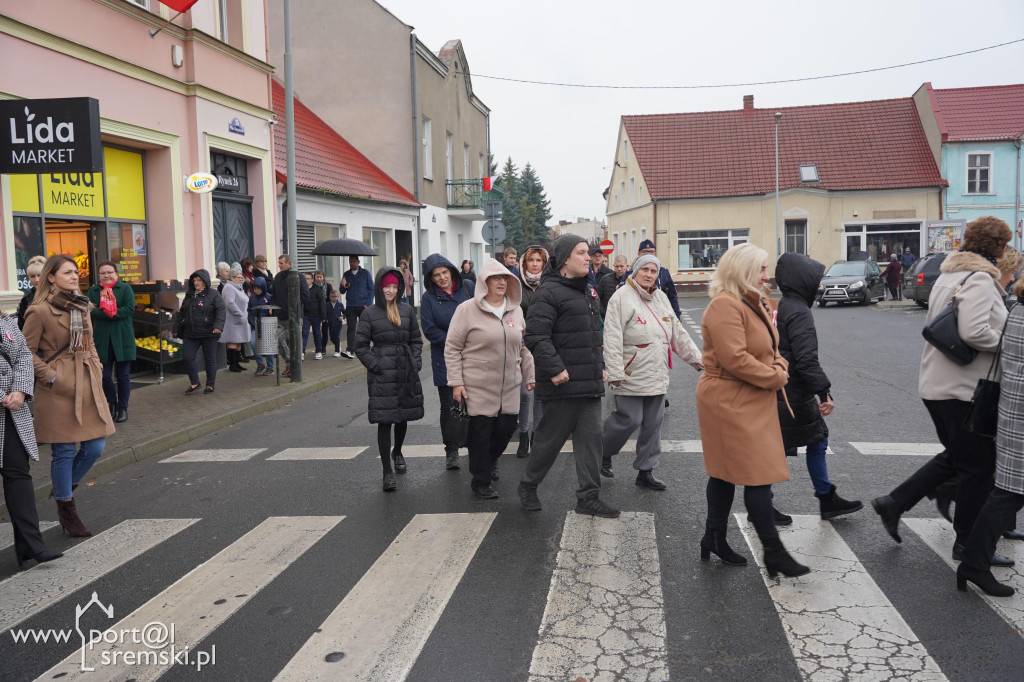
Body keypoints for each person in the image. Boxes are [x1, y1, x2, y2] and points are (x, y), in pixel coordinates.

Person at [872, 216, 1014, 568]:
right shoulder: (980, 279)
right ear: (996, 247)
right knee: (977, 468)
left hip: (938, 385)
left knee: (961, 457)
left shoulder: (949, 275)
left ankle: (894, 502)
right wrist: (1009, 345)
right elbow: (975, 332)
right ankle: (966, 545)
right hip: (965, 389)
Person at [695, 243, 809, 576]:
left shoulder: (752, 301)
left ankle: (713, 536)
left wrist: (779, 364)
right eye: (760, 268)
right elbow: (735, 359)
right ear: (742, 270)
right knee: (757, 477)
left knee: (725, 472)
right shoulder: (724, 306)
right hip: (728, 399)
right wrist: (775, 375)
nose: (766, 275)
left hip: (748, 396)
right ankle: (773, 551)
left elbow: (771, 346)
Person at [518, 234, 618, 518]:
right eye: (582, 253)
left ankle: (588, 497)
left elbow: (590, 335)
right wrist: (556, 369)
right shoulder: (547, 293)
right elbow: (536, 336)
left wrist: (599, 365)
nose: (589, 257)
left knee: (592, 440)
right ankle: (528, 485)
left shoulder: (586, 289)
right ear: (564, 259)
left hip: (587, 383)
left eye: (589, 253)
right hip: (561, 384)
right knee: (549, 443)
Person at [24, 254, 116, 537]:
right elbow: (25, 352)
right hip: (57, 386)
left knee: (95, 446)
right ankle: (67, 508)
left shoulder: (83, 305)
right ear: (51, 277)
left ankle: (63, 487)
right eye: (67, 272)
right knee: (63, 451)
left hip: (87, 378)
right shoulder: (38, 311)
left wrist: (98, 368)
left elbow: (90, 342)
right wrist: (51, 376)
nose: (75, 276)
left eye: (76, 272)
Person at [601, 254, 703, 489]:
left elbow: (677, 333)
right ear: (634, 272)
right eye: (644, 269)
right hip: (630, 371)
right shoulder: (621, 298)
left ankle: (646, 470)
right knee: (629, 419)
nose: (649, 274)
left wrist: (697, 359)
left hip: (657, 371)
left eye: (653, 271)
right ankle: (603, 453)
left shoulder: (661, 297)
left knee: (653, 423)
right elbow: (613, 336)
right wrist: (614, 371)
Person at [774, 252, 862, 519]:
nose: (819, 285)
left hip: (782, 388)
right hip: (795, 391)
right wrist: (824, 392)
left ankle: (768, 501)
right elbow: (806, 358)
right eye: (816, 280)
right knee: (813, 439)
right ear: (803, 280)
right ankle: (824, 497)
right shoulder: (799, 311)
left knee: (778, 444)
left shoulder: (784, 305)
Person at [956, 274, 1024, 596]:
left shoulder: (1017, 310)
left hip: (1013, 412)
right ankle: (973, 562)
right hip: (1020, 417)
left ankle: (973, 561)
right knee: (1009, 494)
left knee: (1009, 492)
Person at [445, 259, 535, 498]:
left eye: (505, 278)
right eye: (496, 278)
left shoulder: (516, 310)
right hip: (478, 385)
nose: (501, 282)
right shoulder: (466, 310)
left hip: (509, 385)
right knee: (481, 434)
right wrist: (457, 382)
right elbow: (452, 347)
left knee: (506, 429)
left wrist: (530, 374)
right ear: (484, 282)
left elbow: (523, 346)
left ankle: (488, 459)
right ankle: (480, 481)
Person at [353, 267, 424, 492]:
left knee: (402, 417)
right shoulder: (369, 313)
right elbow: (360, 346)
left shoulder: (407, 310)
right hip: (382, 374)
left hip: (405, 371)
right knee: (385, 421)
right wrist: (376, 365)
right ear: (379, 287)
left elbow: (416, 340)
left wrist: (415, 361)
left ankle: (398, 451)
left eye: (395, 286)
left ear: (400, 288)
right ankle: (386, 471)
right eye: (387, 287)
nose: (391, 290)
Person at [0, 309, 62, 567]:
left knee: (18, 477)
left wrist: (20, 390)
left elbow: (24, 356)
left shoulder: (4, 321)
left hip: (11, 412)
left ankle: (32, 546)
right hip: (4, 401)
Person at [420, 253, 475, 469]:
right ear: (431, 279)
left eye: (444, 272)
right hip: (444, 358)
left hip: (473, 356)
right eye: (436, 275)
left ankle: (477, 449)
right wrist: (456, 341)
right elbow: (430, 330)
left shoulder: (468, 287)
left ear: (451, 271)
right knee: (450, 407)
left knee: (475, 405)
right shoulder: (428, 298)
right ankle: (451, 450)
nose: (442, 278)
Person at [87, 261, 136, 423]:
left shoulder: (125, 288)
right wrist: (110, 313)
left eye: (109, 272)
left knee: (123, 376)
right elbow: (91, 311)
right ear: (99, 275)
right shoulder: (93, 291)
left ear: (116, 273)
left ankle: (123, 408)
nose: (106, 275)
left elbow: (129, 309)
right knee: (104, 375)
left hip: (122, 338)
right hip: (102, 340)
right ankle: (112, 402)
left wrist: (110, 312)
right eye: (103, 273)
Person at [514, 245, 548, 458]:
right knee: (525, 392)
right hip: (523, 344)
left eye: (538, 260)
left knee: (540, 394)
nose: (534, 264)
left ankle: (537, 434)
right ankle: (523, 434)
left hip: (545, 343)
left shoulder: (549, 284)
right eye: (531, 260)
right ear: (524, 263)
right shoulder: (517, 286)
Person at [175, 269, 226, 394]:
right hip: (190, 332)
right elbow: (182, 313)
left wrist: (218, 326)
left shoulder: (214, 294)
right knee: (187, 357)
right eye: (195, 280)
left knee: (209, 358)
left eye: (199, 280)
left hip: (209, 332)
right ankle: (195, 382)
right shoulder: (190, 294)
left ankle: (210, 384)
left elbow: (221, 310)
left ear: (205, 281)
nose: (196, 283)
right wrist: (176, 328)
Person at [620, 239, 682, 319]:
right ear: (639, 254)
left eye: (651, 252)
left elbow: (672, 296)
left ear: (655, 254)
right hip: (638, 318)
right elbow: (623, 297)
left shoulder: (664, 272)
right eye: (645, 252)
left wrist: (677, 318)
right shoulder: (630, 274)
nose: (648, 254)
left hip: (661, 316)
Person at [272, 254, 309, 377]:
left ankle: (295, 367)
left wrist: (294, 307)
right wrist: (274, 308)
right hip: (280, 316)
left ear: (289, 264)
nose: (279, 265)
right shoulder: (277, 277)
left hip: (295, 316)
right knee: (277, 338)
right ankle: (289, 363)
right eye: (279, 263)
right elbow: (274, 295)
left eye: (281, 263)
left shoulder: (298, 276)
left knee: (294, 342)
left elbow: (305, 294)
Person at [340, 256, 374, 359]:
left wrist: (367, 304)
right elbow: (342, 291)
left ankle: (368, 348)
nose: (352, 263)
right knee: (351, 328)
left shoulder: (365, 273)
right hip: (350, 306)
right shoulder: (346, 274)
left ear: (358, 262)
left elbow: (372, 289)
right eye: (350, 262)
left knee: (365, 328)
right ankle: (350, 350)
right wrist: (343, 285)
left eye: (354, 262)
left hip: (363, 305)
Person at [220, 267, 252, 373]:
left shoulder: (238, 287)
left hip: (241, 320)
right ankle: (232, 365)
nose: (240, 279)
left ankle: (237, 363)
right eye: (238, 277)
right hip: (233, 320)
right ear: (231, 278)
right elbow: (230, 303)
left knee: (239, 341)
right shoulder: (229, 288)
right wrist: (239, 314)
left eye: (241, 277)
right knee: (233, 341)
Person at [248, 276, 275, 376]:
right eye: (254, 288)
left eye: (258, 288)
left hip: (267, 326)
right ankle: (260, 364)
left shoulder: (269, 297)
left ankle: (270, 367)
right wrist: (252, 322)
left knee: (267, 347)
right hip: (256, 326)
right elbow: (249, 311)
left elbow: (272, 312)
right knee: (254, 344)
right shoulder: (252, 298)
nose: (256, 290)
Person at [16, 255, 47, 331]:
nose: (36, 280)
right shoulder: (25, 301)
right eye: (32, 276)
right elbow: (22, 327)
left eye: (39, 275)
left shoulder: (57, 295)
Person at [303, 271, 327, 359]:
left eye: (308, 279)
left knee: (317, 333)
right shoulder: (302, 289)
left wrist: (324, 316)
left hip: (316, 315)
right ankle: (302, 352)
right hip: (305, 315)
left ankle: (319, 351)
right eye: (304, 279)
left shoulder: (317, 289)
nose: (306, 280)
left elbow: (322, 302)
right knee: (304, 334)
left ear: (312, 280)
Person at [327, 290, 345, 357]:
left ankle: (337, 351)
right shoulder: (327, 305)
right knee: (332, 337)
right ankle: (338, 344)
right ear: (330, 297)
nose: (334, 298)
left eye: (335, 296)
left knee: (337, 336)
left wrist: (342, 317)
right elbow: (326, 314)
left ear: (338, 297)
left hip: (338, 323)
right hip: (331, 323)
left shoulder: (340, 305)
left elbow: (344, 313)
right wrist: (325, 319)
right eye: (332, 297)